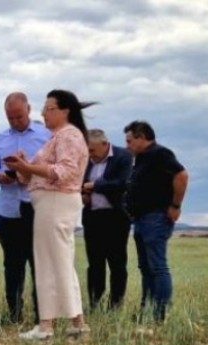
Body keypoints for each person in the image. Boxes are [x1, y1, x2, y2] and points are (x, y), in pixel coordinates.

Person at [5, 89, 92, 340]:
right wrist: (24, 166)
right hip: (52, 201)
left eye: (49, 108)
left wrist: (27, 167)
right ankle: (76, 321)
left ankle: (46, 325)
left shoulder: (68, 136)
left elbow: (63, 171)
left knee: (49, 262)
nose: (43, 113)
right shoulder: (60, 136)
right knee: (59, 260)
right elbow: (31, 176)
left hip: (55, 201)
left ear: (65, 111)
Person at [0, 93, 51, 324]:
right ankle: (14, 315)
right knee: (12, 265)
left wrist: (28, 171)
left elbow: (52, 171)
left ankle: (42, 316)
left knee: (39, 264)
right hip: (7, 211)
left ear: (29, 110)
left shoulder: (46, 136)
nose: (15, 121)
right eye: (10, 118)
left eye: (19, 116)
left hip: (36, 207)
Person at [123, 120, 189, 322]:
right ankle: (146, 310)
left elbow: (182, 175)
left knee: (158, 267)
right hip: (140, 219)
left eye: (129, 140)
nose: (127, 146)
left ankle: (160, 314)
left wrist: (175, 206)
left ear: (142, 137)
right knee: (145, 268)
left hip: (156, 217)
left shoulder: (161, 153)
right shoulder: (142, 159)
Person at [81, 129, 133, 310]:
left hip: (116, 218)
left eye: (92, 150)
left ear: (105, 144)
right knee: (95, 264)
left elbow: (122, 184)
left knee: (117, 263)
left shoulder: (123, 156)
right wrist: (83, 193)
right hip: (92, 217)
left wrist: (94, 185)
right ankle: (94, 303)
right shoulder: (86, 159)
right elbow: (79, 184)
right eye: (87, 150)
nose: (90, 154)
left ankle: (115, 305)